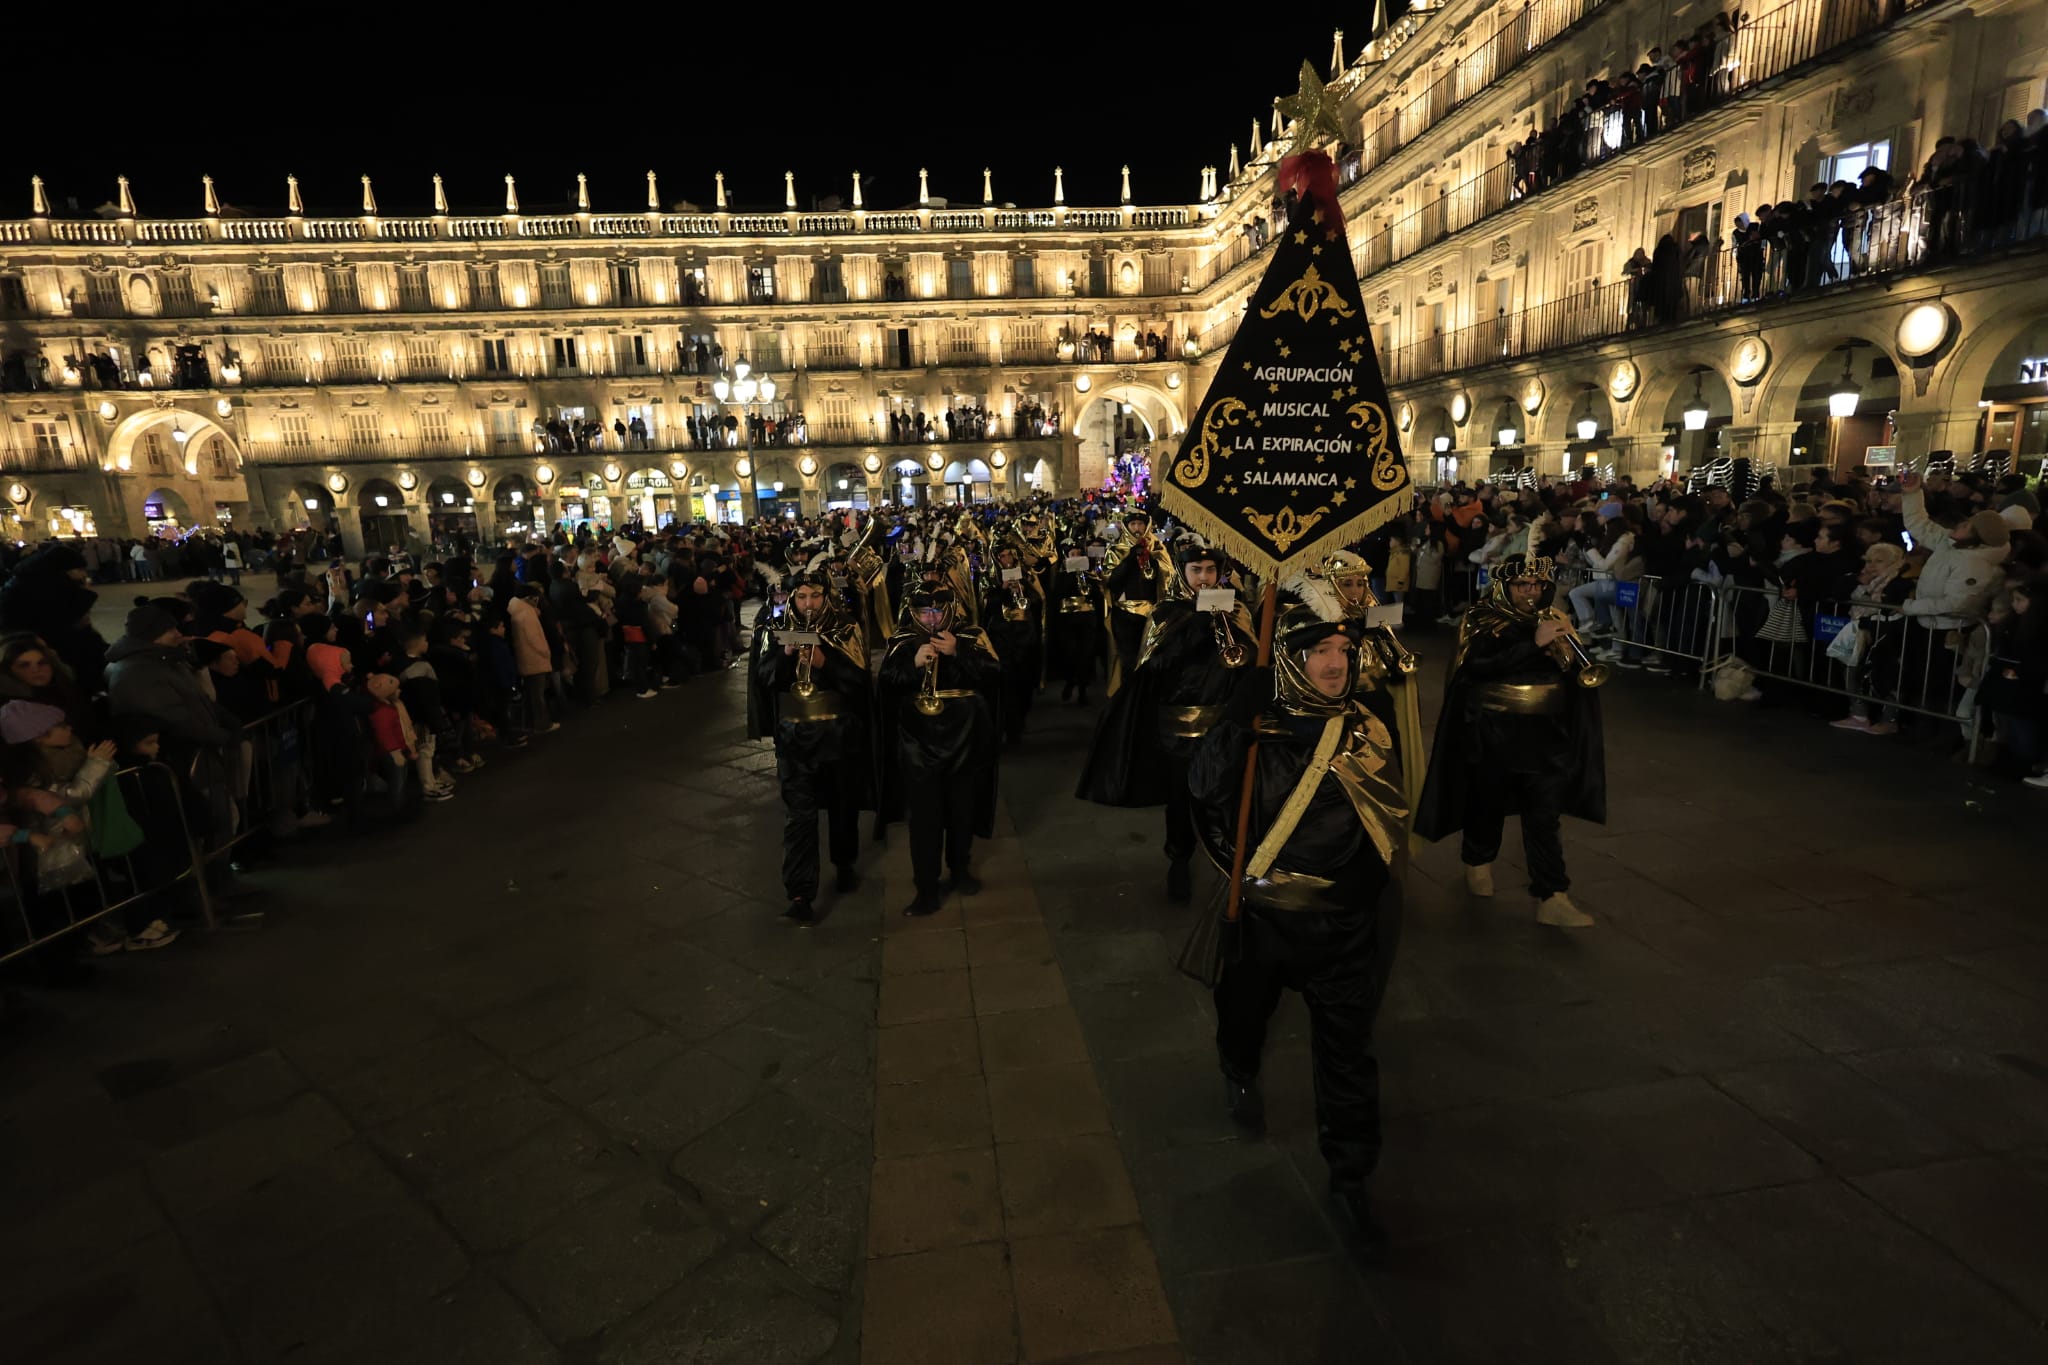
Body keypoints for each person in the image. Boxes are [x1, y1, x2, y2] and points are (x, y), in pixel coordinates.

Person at [1185, 606, 1412, 1252]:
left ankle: (1351, 1181)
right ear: (1288, 657)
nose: (1336, 663)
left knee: (1347, 1055)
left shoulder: (1368, 726)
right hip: (1266, 921)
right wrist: (1236, 718)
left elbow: (1387, 824)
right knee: (1244, 1016)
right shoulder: (1261, 724)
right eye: (1318, 651)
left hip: (1344, 928)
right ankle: (1237, 1063)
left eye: (1343, 647)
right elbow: (1201, 786)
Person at [1414, 554, 1606, 928]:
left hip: (1546, 735)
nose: (1531, 592)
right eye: (1522, 586)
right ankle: (1478, 859)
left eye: (1536, 585)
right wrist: (1534, 644)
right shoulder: (1482, 618)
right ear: (1505, 587)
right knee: (1487, 804)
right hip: (1493, 732)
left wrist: (1569, 649)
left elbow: (1573, 673)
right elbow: (1477, 668)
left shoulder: (1551, 617)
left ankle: (1553, 894)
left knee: (1544, 814)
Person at [1078, 543, 1258, 902]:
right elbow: (1152, 667)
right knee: (1181, 799)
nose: (1204, 578)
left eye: (1210, 571)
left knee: (1225, 796)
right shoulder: (1167, 613)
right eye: (1196, 571)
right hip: (1179, 729)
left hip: (1222, 725)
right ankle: (1179, 859)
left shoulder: (1235, 609)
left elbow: (1250, 660)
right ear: (1183, 574)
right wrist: (1194, 628)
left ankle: (1229, 862)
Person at [747, 564, 874, 923]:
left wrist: (824, 661)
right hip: (794, 737)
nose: (808, 603)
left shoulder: (845, 625)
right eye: (801, 596)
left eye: (815, 596)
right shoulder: (776, 627)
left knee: (841, 807)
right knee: (798, 818)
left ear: (826, 596)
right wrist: (785, 658)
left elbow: (859, 680)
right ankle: (800, 893)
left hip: (836, 733)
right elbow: (763, 677)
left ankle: (844, 863)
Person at [876, 587, 1000, 916]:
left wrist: (960, 652)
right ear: (914, 614)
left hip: (964, 737)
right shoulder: (903, 639)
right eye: (924, 613)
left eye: (937, 611)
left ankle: (960, 870)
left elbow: (995, 675)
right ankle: (926, 888)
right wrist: (914, 665)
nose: (931, 619)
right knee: (925, 818)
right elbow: (886, 682)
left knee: (962, 810)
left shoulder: (971, 634)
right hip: (919, 741)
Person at [1101, 510, 1175, 694]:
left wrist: (1151, 558)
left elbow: (1169, 576)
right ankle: (1128, 696)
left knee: (1150, 658)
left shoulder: (1158, 548)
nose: (1137, 528)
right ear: (1127, 527)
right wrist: (1130, 559)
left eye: (1140, 525)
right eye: (1133, 525)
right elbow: (1110, 580)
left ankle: (1146, 695)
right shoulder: (1117, 550)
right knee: (1128, 659)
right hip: (1125, 614)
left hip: (1152, 612)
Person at [980, 537, 1045, 744]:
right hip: (1002, 637)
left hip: (1025, 636)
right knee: (1007, 684)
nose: (1007, 559)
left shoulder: (1026, 574)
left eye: (1009, 555)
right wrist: (1002, 588)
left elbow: (1038, 601)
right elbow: (986, 607)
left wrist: (1023, 591)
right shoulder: (988, 578)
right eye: (1002, 556)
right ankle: (1011, 727)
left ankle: (1022, 717)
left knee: (1025, 682)